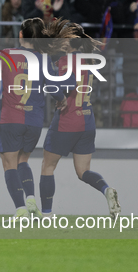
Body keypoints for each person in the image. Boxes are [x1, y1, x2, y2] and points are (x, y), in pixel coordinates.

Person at [0, 18, 73, 218]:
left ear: (21, 35)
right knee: (23, 161)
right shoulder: (44, 59)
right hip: (34, 121)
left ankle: (20, 209)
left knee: (9, 164)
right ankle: (31, 196)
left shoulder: (7, 55)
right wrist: (62, 100)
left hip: (11, 119)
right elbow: (54, 87)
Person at [40, 23, 121, 218]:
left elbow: (61, 87)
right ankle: (106, 190)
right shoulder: (88, 61)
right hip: (87, 120)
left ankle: (47, 214)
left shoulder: (65, 62)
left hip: (67, 118)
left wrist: (51, 88)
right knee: (83, 171)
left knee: (47, 166)